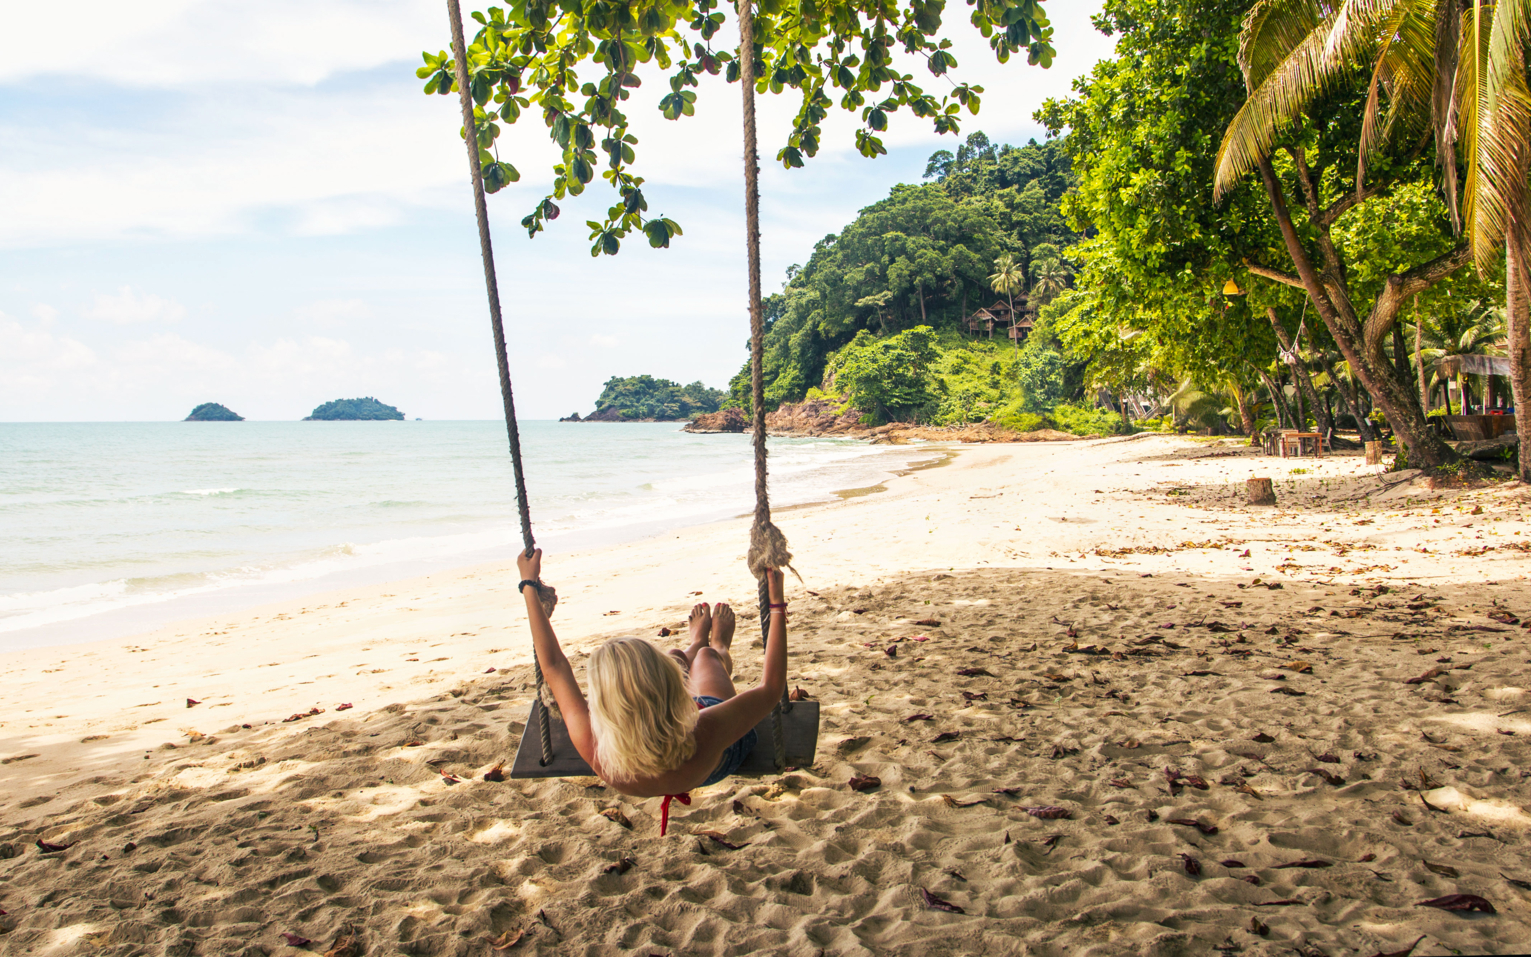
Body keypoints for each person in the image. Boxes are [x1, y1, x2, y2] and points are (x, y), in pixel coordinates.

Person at [516, 548, 787, 820]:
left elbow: (553, 666)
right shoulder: (706, 729)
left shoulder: (595, 746)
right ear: (671, 687)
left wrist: (528, 585)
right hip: (715, 759)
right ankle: (717, 646)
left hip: (655, 755)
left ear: (603, 705)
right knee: (706, 657)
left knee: (677, 656)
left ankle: (693, 644)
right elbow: (770, 689)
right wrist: (776, 605)